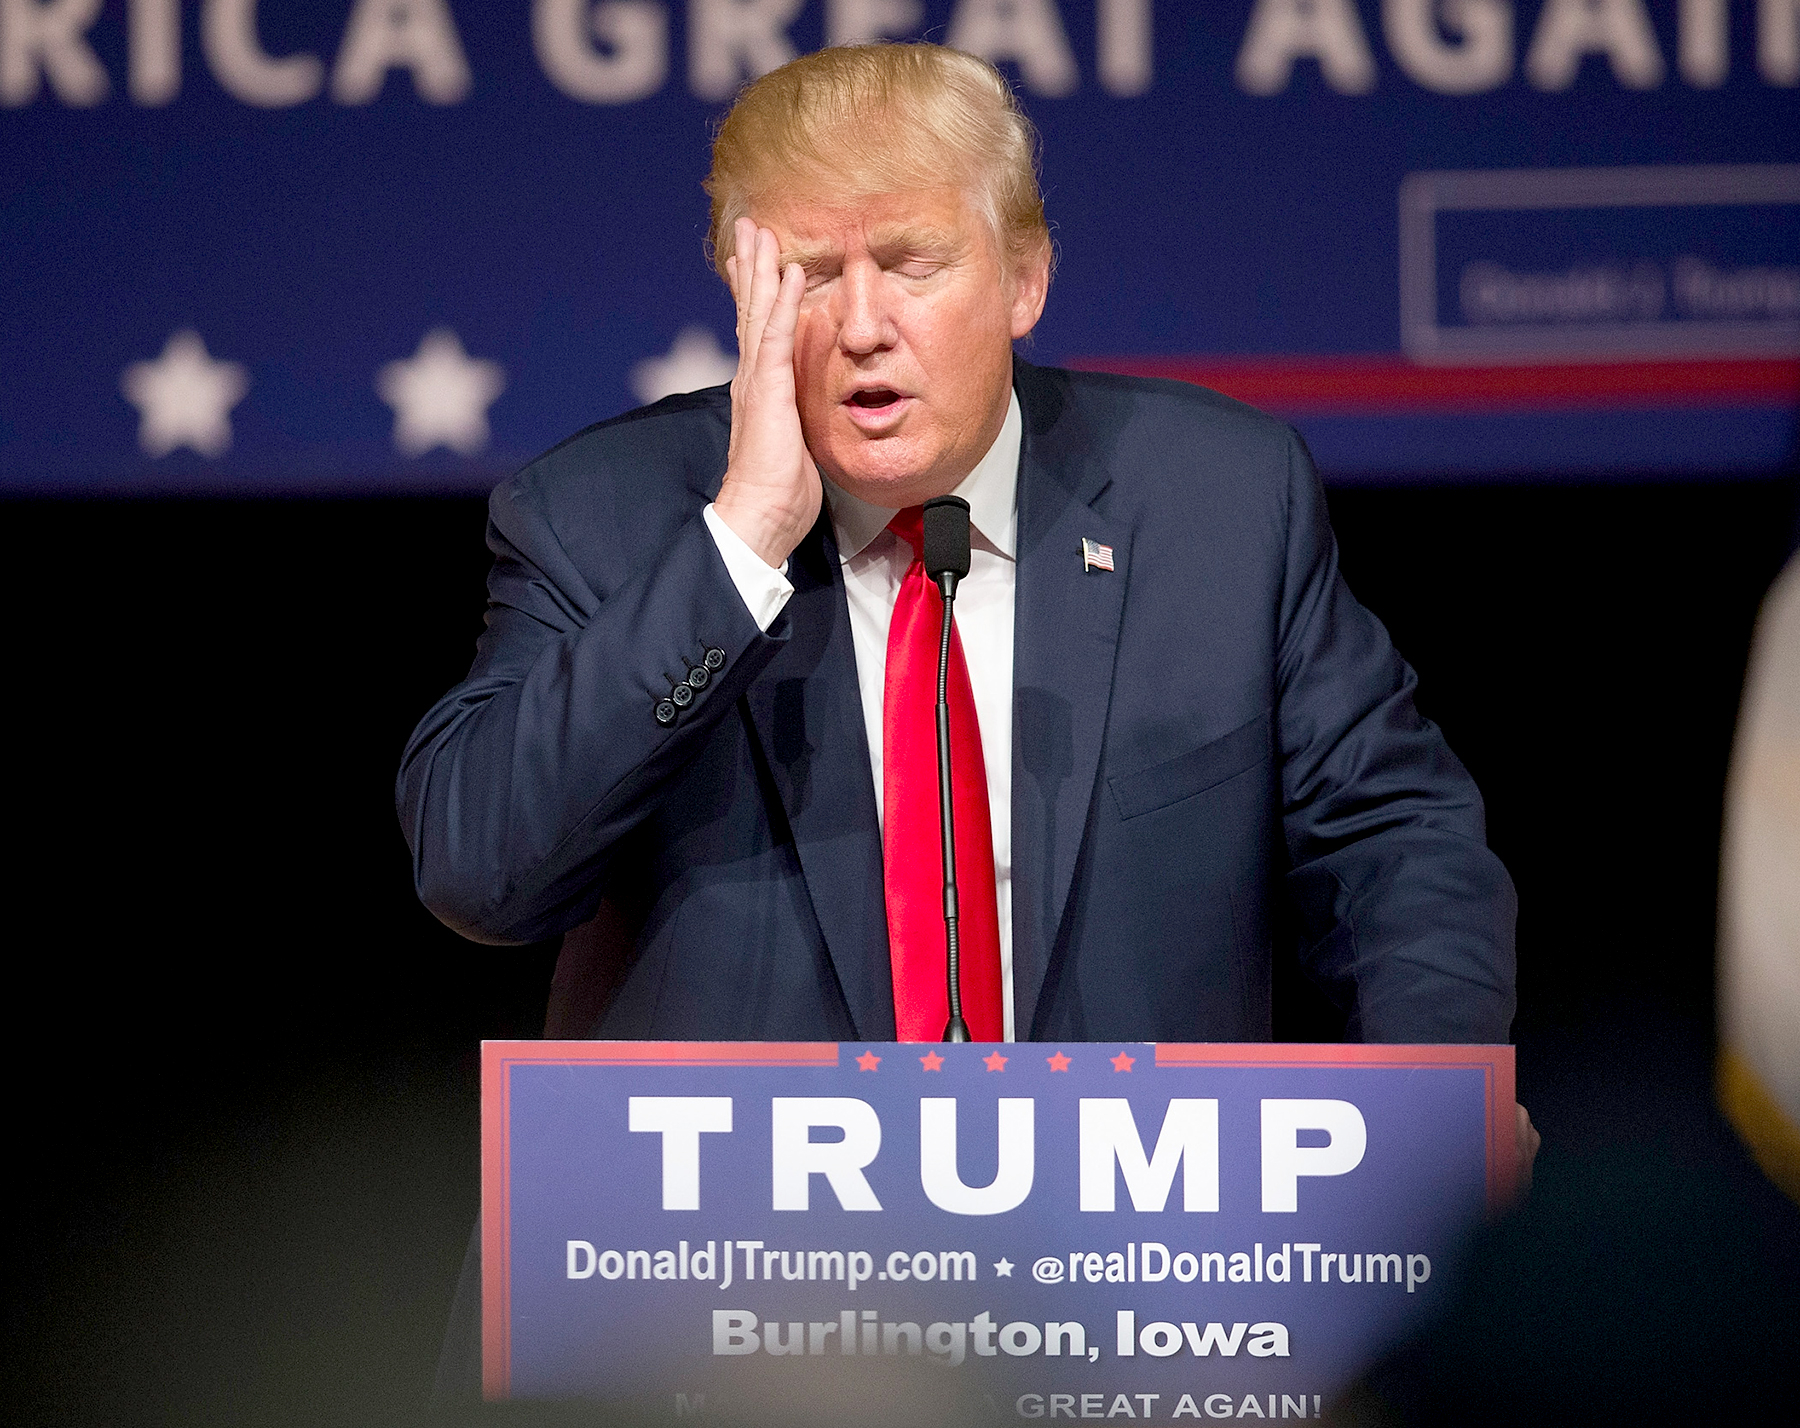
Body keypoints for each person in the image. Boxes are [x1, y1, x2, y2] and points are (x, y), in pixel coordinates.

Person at [398, 42, 1522, 1064]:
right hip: (728, 1223)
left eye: (912, 264)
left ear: (1024, 279)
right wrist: (739, 543)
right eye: (810, 275)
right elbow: (480, 874)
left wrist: (1431, 1113)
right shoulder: (602, 515)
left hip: (1128, 1210)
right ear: (744, 295)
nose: (862, 326)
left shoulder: (1220, 501)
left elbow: (1396, 844)